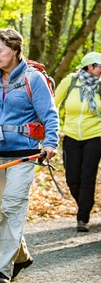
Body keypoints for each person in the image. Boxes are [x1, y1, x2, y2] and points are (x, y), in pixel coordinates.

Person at [0, 29, 58, 283]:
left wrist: (51, 142)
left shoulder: (34, 80)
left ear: (15, 50)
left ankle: (1, 269)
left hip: (24, 155)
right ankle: (21, 256)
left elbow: (50, 114)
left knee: (12, 207)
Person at [54, 51, 101, 233]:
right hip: (71, 135)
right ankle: (84, 203)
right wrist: (56, 129)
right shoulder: (71, 81)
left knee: (87, 177)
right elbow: (53, 104)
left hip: (95, 135)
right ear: (90, 66)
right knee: (72, 178)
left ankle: (83, 217)